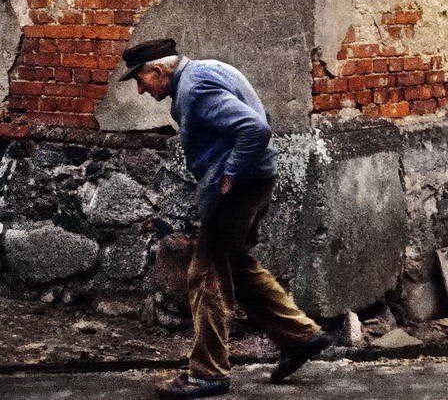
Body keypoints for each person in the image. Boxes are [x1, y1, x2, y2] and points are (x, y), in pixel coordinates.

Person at [119, 38, 331, 399]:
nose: (140, 90)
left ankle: (207, 374)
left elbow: (254, 128)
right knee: (234, 262)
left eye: (141, 80)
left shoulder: (195, 87)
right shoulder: (208, 70)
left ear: (158, 70)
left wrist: (230, 174)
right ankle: (301, 337)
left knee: (206, 275)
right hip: (254, 181)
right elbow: (258, 117)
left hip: (237, 189)